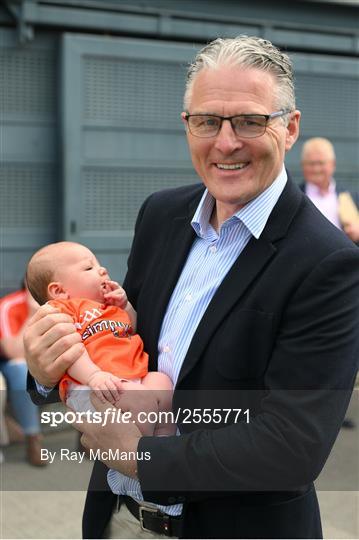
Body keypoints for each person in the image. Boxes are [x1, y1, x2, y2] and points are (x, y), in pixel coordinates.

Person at [25, 35, 359, 539]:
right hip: (117, 521)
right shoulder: (160, 215)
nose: (225, 142)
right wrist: (47, 371)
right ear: (187, 125)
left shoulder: (330, 263)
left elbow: (291, 448)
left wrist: (139, 457)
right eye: (207, 121)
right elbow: (118, 343)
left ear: (289, 128)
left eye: (249, 120)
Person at [26, 241, 173, 436]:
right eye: (89, 267)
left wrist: (125, 306)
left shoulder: (108, 307)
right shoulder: (62, 312)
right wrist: (93, 375)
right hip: (92, 386)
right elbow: (69, 352)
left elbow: (133, 328)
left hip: (129, 377)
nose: (102, 269)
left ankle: (164, 442)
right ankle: (140, 452)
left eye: (99, 264)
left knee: (161, 382)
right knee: (142, 402)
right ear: (60, 291)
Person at [0, 286, 47, 466]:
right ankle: (33, 437)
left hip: (42, 361)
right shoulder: (9, 305)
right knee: (20, 368)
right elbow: (13, 352)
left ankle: (89, 435)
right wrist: (32, 314)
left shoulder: (60, 303)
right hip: (9, 362)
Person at [301, 137, 359, 241]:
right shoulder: (295, 195)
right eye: (311, 164)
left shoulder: (350, 197)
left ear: (333, 164)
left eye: (321, 163)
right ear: (303, 165)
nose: (316, 169)